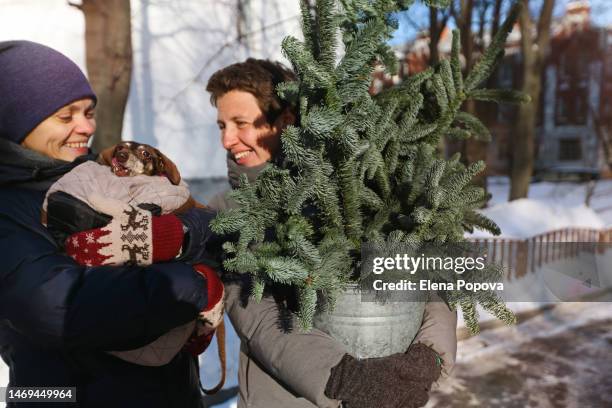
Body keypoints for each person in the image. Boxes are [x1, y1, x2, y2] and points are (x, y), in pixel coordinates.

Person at [205, 58, 459, 408]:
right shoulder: (224, 213)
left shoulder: (357, 190)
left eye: (241, 124)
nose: (227, 140)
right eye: (221, 125)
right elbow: (257, 317)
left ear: (286, 122)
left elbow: (426, 275)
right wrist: (344, 379)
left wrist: (428, 357)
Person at [0, 40, 218, 407]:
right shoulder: (8, 205)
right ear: (17, 120)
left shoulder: (93, 175)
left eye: (89, 112)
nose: (86, 127)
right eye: (66, 117)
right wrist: (192, 283)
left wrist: (178, 236)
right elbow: (60, 306)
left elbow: (213, 224)